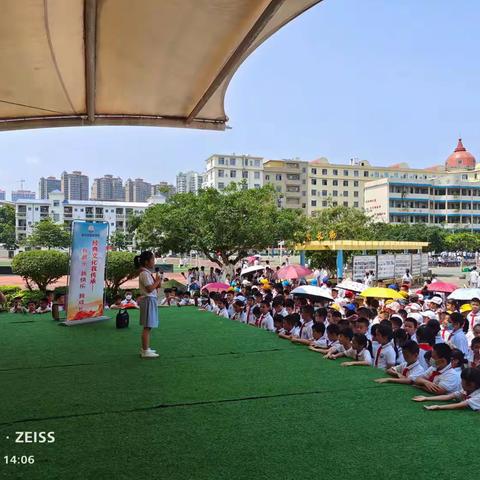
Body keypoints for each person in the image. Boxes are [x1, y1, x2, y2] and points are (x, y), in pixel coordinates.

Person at [412, 367, 480, 411]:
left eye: (462, 381)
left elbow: (459, 405)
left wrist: (438, 407)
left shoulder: (478, 396)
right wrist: (426, 398)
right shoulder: (467, 390)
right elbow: (449, 396)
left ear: (471, 384)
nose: (461, 383)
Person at [135, 251, 162, 359]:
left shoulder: (146, 273)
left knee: (148, 326)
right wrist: (157, 281)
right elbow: (149, 289)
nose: (154, 262)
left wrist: (157, 280)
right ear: (146, 262)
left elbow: (156, 286)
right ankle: (145, 350)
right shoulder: (144, 274)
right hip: (148, 300)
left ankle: (145, 348)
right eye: (152, 259)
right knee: (147, 326)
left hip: (150, 299)